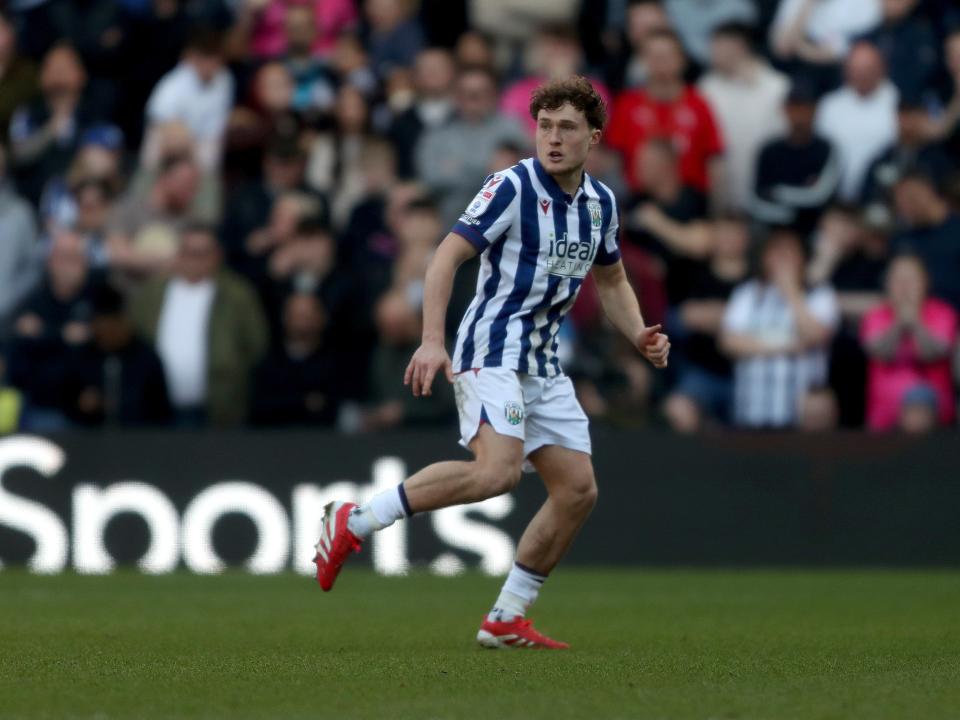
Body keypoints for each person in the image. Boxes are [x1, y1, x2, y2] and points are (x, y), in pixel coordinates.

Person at [312, 77, 670, 650]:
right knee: (497, 473)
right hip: (490, 350)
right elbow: (445, 258)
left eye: (566, 128)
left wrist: (638, 334)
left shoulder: (601, 204)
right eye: (544, 126)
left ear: (593, 138)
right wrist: (433, 340)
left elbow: (613, 280)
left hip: (542, 364)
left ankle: (506, 616)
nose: (552, 138)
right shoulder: (511, 186)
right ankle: (354, 521)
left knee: (578, 490)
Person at [130, 223, 268, 426]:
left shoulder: (238, 295)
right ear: (178, 254)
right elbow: (135, 340)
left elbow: (257, 346)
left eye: (202, 253)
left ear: (217, 255)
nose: (194, 260)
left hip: (218, 410)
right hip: (157, 411)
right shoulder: (152, 293)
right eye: (189, 252)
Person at [720, 227, 839, 428]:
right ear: (765, 257)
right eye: (776, 250)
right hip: (752, 413)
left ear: (803, 257)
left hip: (803, 418)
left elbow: (817, 335)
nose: (783, 257)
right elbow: (729, 341)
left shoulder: (820, 294)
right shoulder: (747, 294)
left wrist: (791, 292)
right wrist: (787, 346)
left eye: (790, 250)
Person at [606, 30, 725, 205]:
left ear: (682, 60)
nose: (660, 62)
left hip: (690, 204)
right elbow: (613, 161)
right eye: (653, 56)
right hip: (637, 203)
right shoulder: (627, 104)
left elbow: (714, 162)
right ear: (642, 61)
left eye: (667, 56)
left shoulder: (699, 104)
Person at [698, 22, 788, 211]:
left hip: (766, 195)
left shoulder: (777, 87)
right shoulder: (706, 88)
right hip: (721, 198)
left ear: (738, 46)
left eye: (717, 46)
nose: (711, 53)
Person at [861, 254, 956, 432]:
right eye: (898, 279)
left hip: (936, 422)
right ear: (887, 283)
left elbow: (934, 353)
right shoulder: (875, 315)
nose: (904, 286)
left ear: (925, 282)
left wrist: (915, 324)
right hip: (883, 422)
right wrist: (898, 325)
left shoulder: (943, 312)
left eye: (911, 279)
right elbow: (880, 353)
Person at [62, 283, 172, 426]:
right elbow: (66, 403)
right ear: (95, 325)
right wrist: (82, 406)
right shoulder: (82, 356)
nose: (111, 332)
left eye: (116, 324)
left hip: (138, 437)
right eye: (105, 325)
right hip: (91, 438)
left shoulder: (146, 356)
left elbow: (161, 410)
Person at [814, 42, 899, 201]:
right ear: (846, 71)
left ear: (882, 68)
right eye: (856, 70)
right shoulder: (829, 105)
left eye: (868, 69)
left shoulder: (898, 102)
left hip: (882, 194)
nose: (862, 75)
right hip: (834, 196)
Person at [751, 81, 839, 234]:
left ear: (815, 110)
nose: (800, 117)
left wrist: (777, 193)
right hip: (773, 233)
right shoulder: (769, 151)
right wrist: (787, 216)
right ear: (784, 110)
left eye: (805, 109)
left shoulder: (827, 149)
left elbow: (819, 196)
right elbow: (755, 200)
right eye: (794, 109)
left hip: (814, 232)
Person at [891, 171, 960, 311]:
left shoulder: (956, 229)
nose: (904, 205)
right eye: (898, 200)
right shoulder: (902, 239)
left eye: (909, 197)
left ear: (928, 190)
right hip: (912, 316)